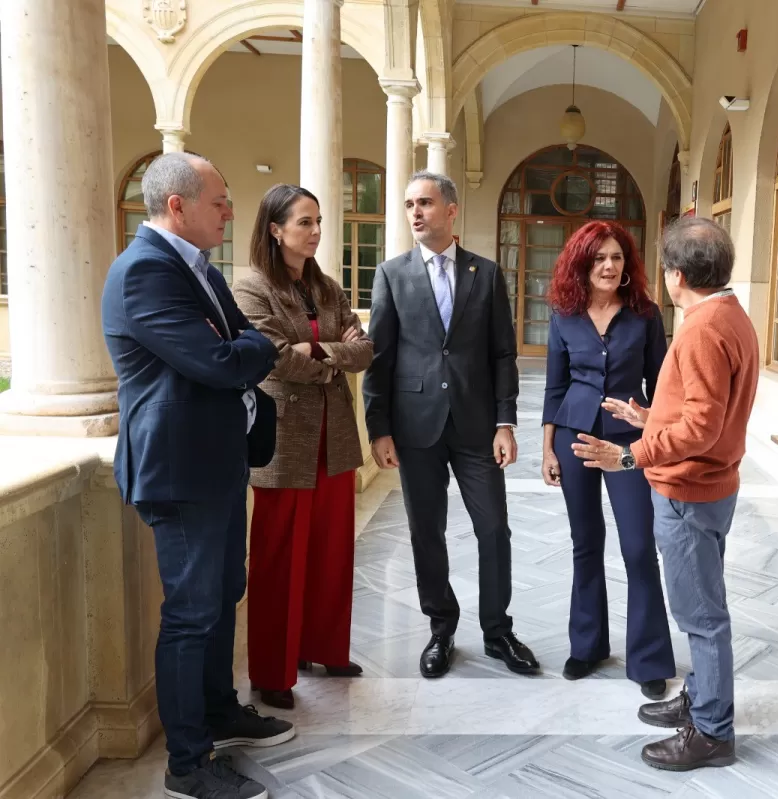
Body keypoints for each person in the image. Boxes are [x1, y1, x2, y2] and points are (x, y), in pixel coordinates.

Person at [101, 152, 294, 799]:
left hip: (218, 461)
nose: (231, 212)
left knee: (222, 593)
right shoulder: (144, 272)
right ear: (177, 205)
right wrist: (246, 347)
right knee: (189, 612)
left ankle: (218, 710)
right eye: (219, 201)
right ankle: (187, 763)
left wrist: (244, 346)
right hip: (179, 471)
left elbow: (246, 339)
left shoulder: (200, 269)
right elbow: (224, 359)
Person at [573, 217, 759, 772]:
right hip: (711, 485)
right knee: (704, 604)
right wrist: (651, 417)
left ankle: (712, 732)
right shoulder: (730, 314)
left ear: (676, 274)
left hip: (688, 491)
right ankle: (701, 699)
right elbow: (707, 412)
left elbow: (701, 427)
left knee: (701, 616)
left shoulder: (701, 329)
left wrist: (631, 454)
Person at [362, 170, 539, 678]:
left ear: (451, 210)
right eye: (409, 204)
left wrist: (505, 422)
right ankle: (441, 627)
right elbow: (380, 358)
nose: (415, 212)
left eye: (425, 202)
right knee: (426, 532)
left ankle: (498, 631)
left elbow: (503, 353)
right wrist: (379, 428)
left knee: (494, 528)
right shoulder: (392, 275)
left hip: (477, 424)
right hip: (415, 426)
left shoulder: (486, 273)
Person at [233, 184, 374, 710]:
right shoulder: (251, 288)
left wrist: (314, 348)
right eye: (304, 222)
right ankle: (273, 671)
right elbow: (273, 357)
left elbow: (365, 350)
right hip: (284, 441)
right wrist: (333, 356)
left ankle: (324, 648)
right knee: (278, 559)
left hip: (334, 438)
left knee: (333, 552)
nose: (316, 231)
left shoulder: (327, 287)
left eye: (318, 221)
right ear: (275, 229)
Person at [541, 221, 675, 699]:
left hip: (627, 442)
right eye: (599, 258)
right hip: (574, 436)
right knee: (585, 541)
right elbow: (555, 386)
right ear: (583, 263)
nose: (609, 265)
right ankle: (587, 646)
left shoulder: (645, 314)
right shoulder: (564, 315)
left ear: (627, 264)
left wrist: (652, 424)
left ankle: (649, 659)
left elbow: (664, 385)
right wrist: (547, 448)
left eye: (616, 257)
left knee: (638, 546)